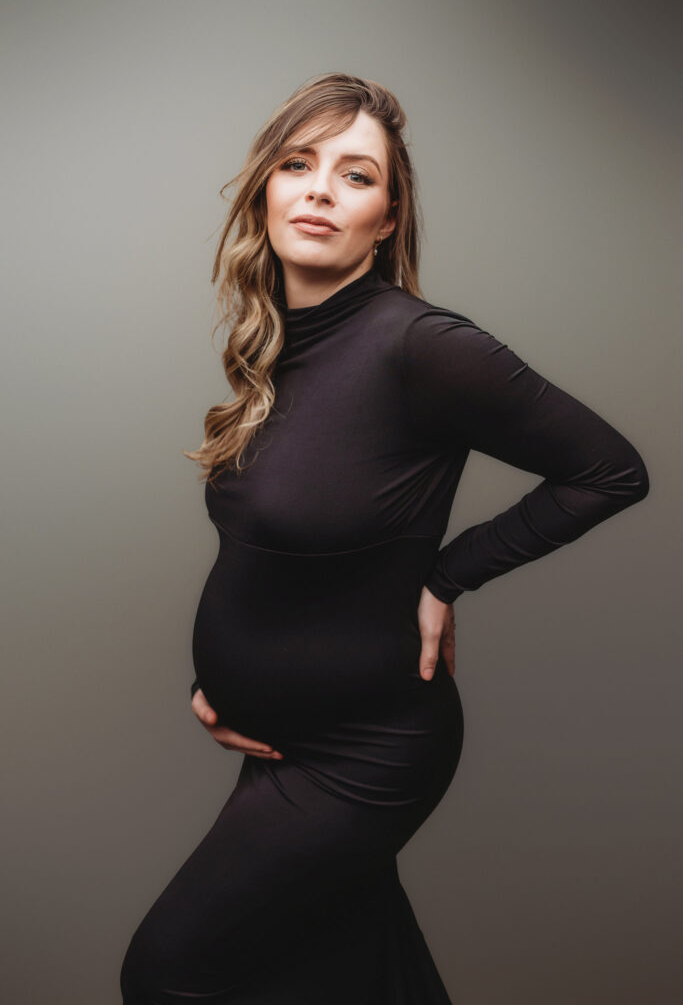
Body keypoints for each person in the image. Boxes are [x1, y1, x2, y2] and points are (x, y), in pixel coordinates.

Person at [119, 72, 649, 1004]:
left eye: (355, 176)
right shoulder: (275, 344)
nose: (320, 190)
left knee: (169, 976)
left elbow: (609, 469)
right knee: (349, 976)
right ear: (265, 187)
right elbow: (268, 556)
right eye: (297, 164)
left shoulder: (420, 346)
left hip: (366, 749)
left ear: (387, 219)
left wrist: (449, 575)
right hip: (283, 736)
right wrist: (220, 681)